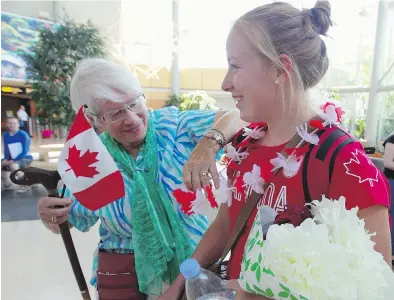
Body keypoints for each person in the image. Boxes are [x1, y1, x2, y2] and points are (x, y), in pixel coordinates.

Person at [161, 2, 392, 300]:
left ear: (280, 69)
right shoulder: (247, 144)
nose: (225, 83)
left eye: (235, 65)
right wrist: (180, 283)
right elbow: (224, 224)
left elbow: (376, 286)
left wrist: (253, 294)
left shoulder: (344, 162)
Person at [36, 58, 245, 300]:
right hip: (123, 278)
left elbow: (238, 117)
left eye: (135, 103)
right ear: (95, 120)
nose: (132, 119)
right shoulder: (90, 158)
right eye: (116, 113)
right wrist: (51, 215)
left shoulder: (174, 127)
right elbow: (68, 219)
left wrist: (208, 144)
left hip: (194, 268)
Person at [1, 116, 32, 193]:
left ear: (18, 124)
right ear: (7, 124)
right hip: (12, 158)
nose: (12, 125)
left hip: (25, 157)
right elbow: (6, 149)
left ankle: (24, 184)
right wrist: (6, 159)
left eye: (14, 123)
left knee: (13, 166)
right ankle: (7, 185)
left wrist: (13, 160)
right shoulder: (5, 135)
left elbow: (25, 151)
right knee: (2, 164)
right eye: (10, 123)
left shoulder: (23, 135)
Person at [383, 131, 394, 260]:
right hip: (391, 182)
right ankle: (389, 252)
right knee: (391, 215)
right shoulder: (392, 139)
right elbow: (387, 163)